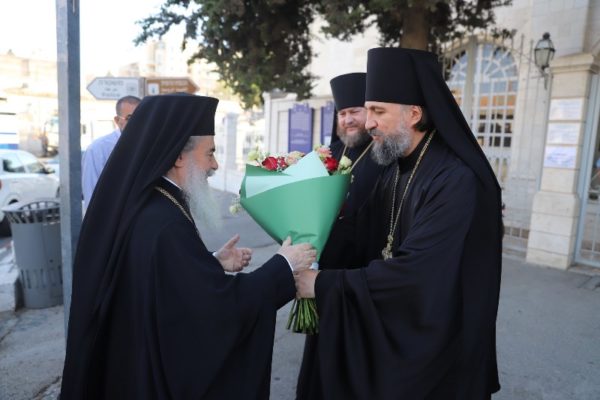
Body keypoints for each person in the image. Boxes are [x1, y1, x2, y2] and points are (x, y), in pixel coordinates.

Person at [60, 94, 316, 400]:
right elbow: (213, 312)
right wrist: (283, 265)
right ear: (178, 156)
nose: (215, 165)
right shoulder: (164, 221)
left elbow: (161, 280)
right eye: (210, 153)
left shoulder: (150, 204)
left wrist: (209, 262)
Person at [295, 48, 503, 399]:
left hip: (436, 338)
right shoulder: (396, 168)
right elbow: (360, 233)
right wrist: (307, 238)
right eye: (369, 110)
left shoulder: (455, 179)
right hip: (400, 316)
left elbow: (419, 272)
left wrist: (324, 284)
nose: (368, 122)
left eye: (378, 111)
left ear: (414, 114)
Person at [296, 72, 384, 400]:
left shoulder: (384, 156)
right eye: (342, 113)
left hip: (361, 276)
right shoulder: (328, 154)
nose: (347, 119)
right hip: (326, 273)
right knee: (322, 358)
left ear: (369, 113)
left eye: (354, 112)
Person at [81, 95, 141, 209]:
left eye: (141, 117)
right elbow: (91, 193)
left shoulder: (150, 145)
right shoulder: (98, 149)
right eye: (130, 118)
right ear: (117, 121)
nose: (137, 122)